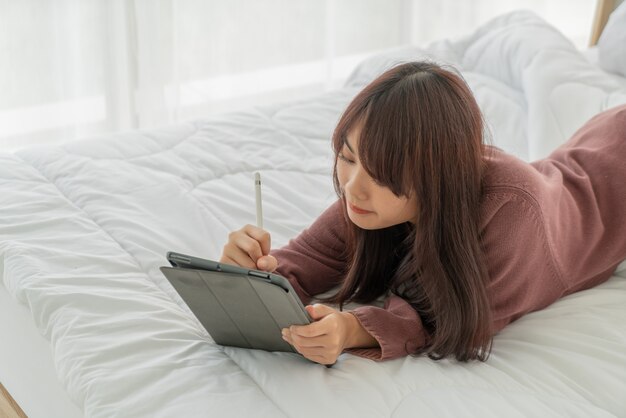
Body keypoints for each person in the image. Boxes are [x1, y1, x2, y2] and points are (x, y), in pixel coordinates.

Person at [220, 61, 626, 366]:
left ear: (436, 175)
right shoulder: (370, 189)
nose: (352, 186)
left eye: (381, 174)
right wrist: (243, 271)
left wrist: (352, 329)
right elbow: (305, 261)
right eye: (347, 156)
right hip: (590, 152)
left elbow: (451, 321)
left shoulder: (513, 216)